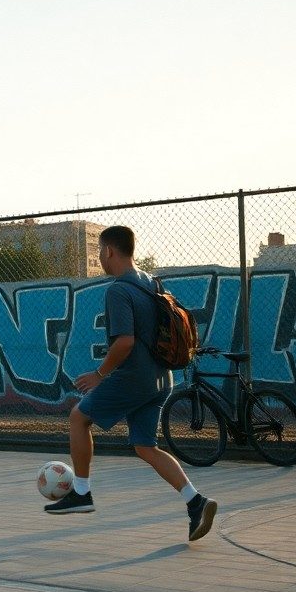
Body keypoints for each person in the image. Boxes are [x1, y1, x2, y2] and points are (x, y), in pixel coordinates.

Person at [45, 225, 217, 542]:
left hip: (134, 378)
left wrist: (99, 374)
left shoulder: (118, 291)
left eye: (100, 251)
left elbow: (125, 342)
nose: (100, 257)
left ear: (109, 251)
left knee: (78, 418)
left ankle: (81, 493)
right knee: (145, 446)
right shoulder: (151, 282)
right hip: (161, 379)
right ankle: (196, 502)